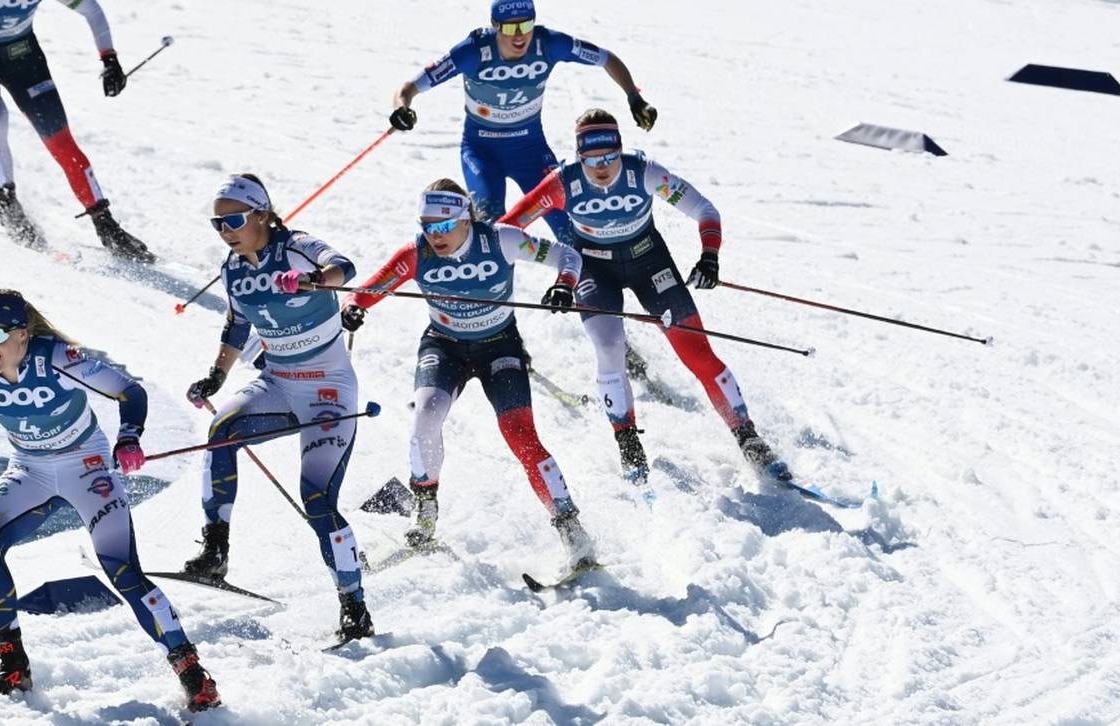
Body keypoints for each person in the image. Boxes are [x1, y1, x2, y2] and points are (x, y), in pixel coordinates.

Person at [0, 290, 219, 712]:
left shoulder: (58, 358)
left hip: (87, 466)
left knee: (122, 570)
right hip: (29, 469)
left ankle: (193, 674)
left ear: (22, 334)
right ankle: (13, 666)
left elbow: (129, 392)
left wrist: (129, 438)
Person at [498, 109, 795, 488]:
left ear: (620, 150)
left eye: (610, 157)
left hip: (649, 261)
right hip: (594, 269)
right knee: (609, 345)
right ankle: (627, 442)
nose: (602, 168)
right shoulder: (562, 182)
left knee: (695, 351)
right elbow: (505, 229)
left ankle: (747, 435)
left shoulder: (643, 172)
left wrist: (709, 256)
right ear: (578, 157)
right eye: (591, 160)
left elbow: (705, 210)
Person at [340, 179, 596, 572]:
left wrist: (564, 286)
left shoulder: (501, 239)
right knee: (426, 416)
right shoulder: (417, 254)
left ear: (466, 220)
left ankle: (569, 526)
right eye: (427, 226)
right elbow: (366, 290)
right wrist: (355, 306)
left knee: (520, 434)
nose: (435, 235)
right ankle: (425, 508)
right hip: (445, 346)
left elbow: (567, 256)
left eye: (444, 226)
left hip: (499, 345)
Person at [183, 173, 374, 643]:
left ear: (262, 215)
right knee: (222, 430)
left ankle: (354, 606)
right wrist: (216, 376)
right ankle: (215, 551)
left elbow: (344, 267)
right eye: (217, 223)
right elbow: (236, 325)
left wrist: (314, 281)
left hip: (328, 391)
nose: (225, 230)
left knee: (317, 499)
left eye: (233, 220)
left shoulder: (297, 247)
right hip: (279, 384)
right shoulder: (233, 268)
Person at [387, 0, 657, 245]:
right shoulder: (472, 52)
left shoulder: (549, 44)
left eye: (526, 25)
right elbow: (409, 88)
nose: (519, 35)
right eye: (510, 28)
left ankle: (584, 280)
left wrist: (634, 98)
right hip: (482, 153)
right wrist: (402, 109)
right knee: (492, 230)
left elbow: (606, 58)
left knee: (569, 224)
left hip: (531, 151)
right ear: (495, 26)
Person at [0, 0, 154, 262]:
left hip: (23, 60)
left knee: (61, 141)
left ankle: (105, 224)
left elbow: (91, 10)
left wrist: (109, 58)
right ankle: (8, 205)